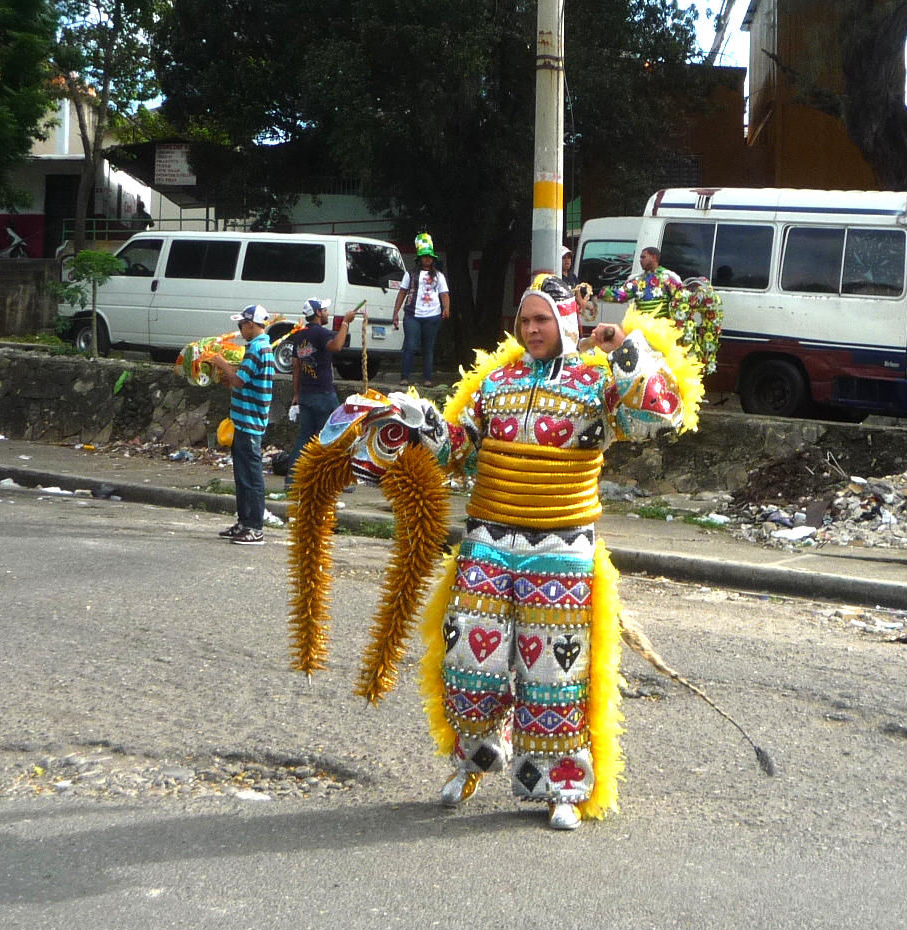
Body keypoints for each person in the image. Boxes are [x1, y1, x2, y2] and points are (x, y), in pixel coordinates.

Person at [292, 276, 701, 832]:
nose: (531, 330)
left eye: (542, 320)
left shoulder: (598, 383)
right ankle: (475, 758)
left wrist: (623, 345)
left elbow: (658, 416)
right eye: (524, 321)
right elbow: (456, 452)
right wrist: (416, 420)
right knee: (467, 664)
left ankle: (561, 783)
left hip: (561, 547)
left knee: (553, 671)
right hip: (487, 543)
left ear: (564, 322)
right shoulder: (495, 383)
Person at [207, 303, 274, 544]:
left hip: (249, 422)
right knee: (242, 475)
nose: (239, 330)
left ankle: (255, 527)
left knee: (251, 477)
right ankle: (244, 522)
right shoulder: (258, 347)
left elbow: (239, 380)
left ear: (250, 324)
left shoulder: (257, 349)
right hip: (243, 420)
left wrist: (220, 362)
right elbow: (243, 381)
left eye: (241, 325)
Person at [287, 296, 361, 487]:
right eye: (325, 310)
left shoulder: (300, 335)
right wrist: (345, 322)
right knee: (337, 436)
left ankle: (292, 480)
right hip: (323, 394)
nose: (327, 313)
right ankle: (339, 481)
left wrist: (296, 394)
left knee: (306, 437)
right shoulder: (320, 333)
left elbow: (296, 366)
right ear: (318, 313)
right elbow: (336, 346)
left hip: (306, 394)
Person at [392, 240, 450, 385]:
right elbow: (402, 293)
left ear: (433, 259)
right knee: (410, 346)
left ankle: (427, 379)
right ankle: (404, 377)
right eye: (424, 256)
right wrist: (396, 312)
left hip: (433, 315)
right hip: (412, 315)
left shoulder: (439, 275)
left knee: (428, 348)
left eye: (430, 257)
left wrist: (446, 308)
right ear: (419, 258)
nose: (427, 259)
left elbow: (444, 294)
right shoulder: (410, 274)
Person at [603, 245, 685, 318]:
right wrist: (601, 293)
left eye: (643, 257)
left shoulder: (667, 278)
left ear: (654, 257)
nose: (640, 260)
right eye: (640, 258)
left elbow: (681, 298)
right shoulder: (637, 280)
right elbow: (622, 295)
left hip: (662, 329)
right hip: (641, 327)